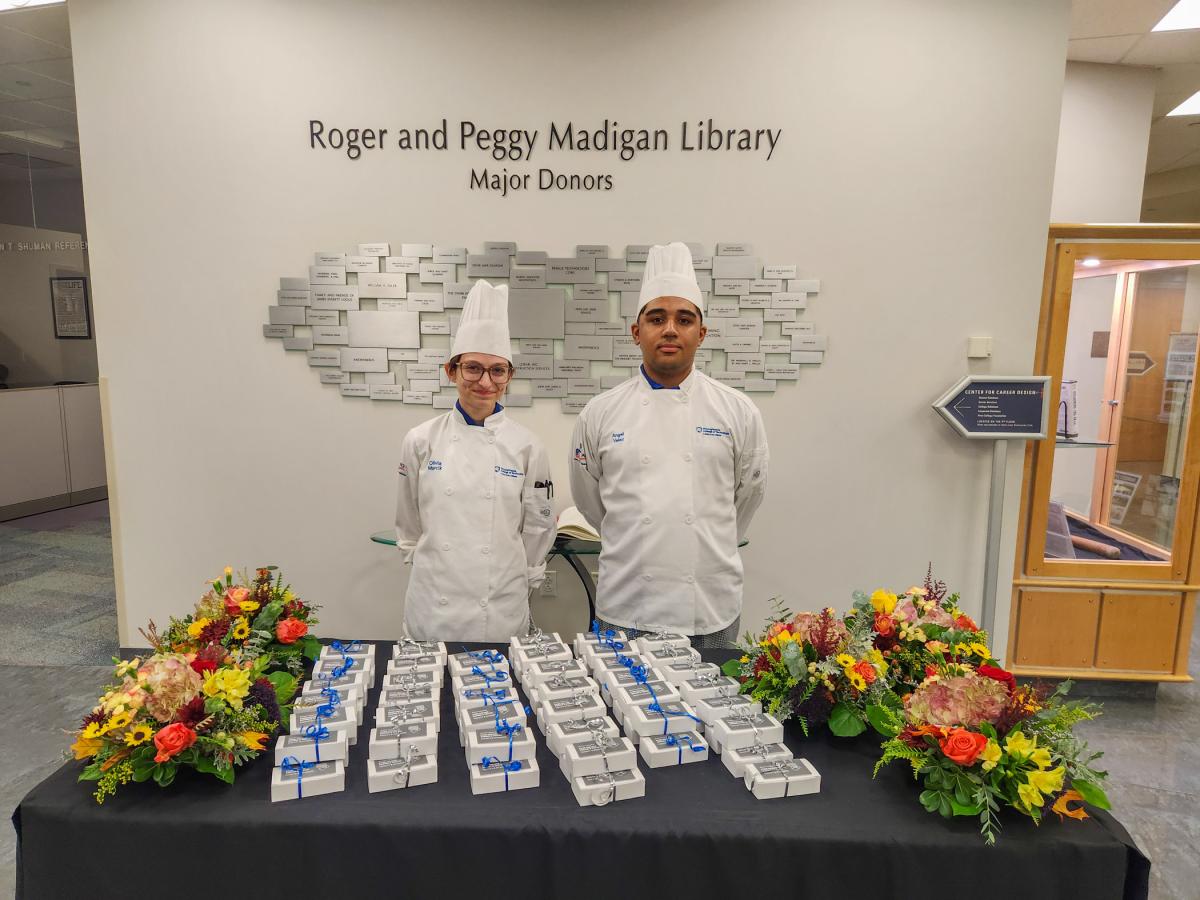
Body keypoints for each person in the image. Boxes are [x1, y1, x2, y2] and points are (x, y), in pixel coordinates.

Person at [569, 242, 768, 647]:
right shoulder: (599, 412)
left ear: (702, 333)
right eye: (657, 318)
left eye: (684, 319)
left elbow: (747, 496)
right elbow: (591, 503)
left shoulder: (737, 410)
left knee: (715, 710)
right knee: (617, 708)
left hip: (709, 606)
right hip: (625, 604)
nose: (671, 329)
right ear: (636, 332)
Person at [395, 280, 556, 641]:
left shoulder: (528, 446)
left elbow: (537, 527)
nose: (485, 381)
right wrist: (429, 564)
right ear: (451, 371)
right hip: (433, 601)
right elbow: (409, 523)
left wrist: (525, 575)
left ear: (509, 377)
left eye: (497, 370)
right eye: (472, 368)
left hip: (499, 603)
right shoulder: (420, 440)